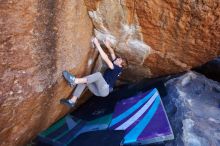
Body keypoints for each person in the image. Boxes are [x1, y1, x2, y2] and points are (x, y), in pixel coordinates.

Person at [60, 37, 127, 108]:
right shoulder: (117, 64)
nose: (118, 58)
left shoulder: (117, 68)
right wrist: (108, 46)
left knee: (98, 75)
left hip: (104, 89)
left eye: (119, 60)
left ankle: (74, 80)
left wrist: (97, 43)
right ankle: (72, 101)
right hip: (99, 90)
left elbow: (106, 58)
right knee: (85, 80)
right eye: (119, 58)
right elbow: (112, 53)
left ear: (120, 65)